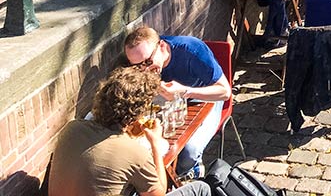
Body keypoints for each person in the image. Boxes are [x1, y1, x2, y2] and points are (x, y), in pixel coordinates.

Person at [48, 66, 210, 196]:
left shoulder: (72, 128)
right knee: (201, 189)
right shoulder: (136, 153)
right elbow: (158, 193)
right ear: (136, 115)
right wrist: (155, 143)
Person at [123, 25, 231, 178]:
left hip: (206, 97)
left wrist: (185, 91)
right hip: (171, 102)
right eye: (137, 66)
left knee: (189, 151)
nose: (145, 70)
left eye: (148, 62)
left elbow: (225, 92)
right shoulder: (146, 64)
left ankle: (190, 170)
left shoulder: (192, 51)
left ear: (161, 45)